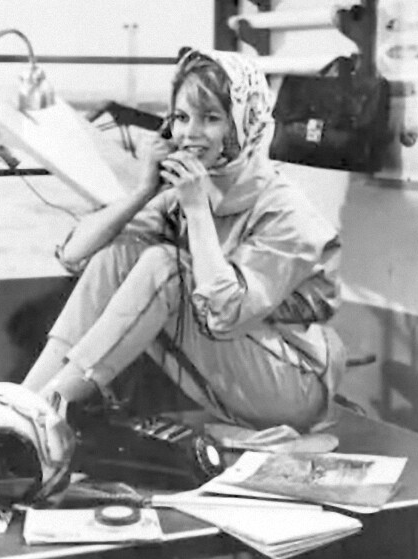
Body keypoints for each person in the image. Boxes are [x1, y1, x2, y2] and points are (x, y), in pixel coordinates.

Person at [20, 48, 347, 432]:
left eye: (211, 118)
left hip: (293, 386)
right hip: (230, 376)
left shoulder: (286, 213)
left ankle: (43, 410)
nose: (191, 133)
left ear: (245, 123)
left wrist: (196, 209)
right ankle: (24, 401)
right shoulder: (191, 192)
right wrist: (143, 191)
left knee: (164, 266)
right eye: (181, 118)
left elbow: (225, 315)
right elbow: (75, 254)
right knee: (120, 254)